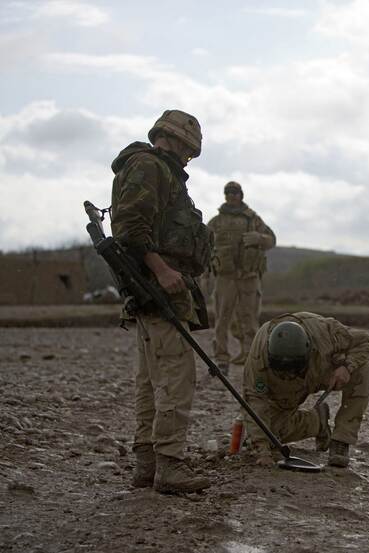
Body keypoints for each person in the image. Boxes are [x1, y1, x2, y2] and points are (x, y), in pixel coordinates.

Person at [110, 109, 212, 494]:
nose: (188, 156)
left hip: (154, 290)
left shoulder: (159, 170)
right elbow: (129, 225)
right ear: (177, 140)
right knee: (175, 377)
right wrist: (161, 270)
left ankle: (147, 464)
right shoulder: (150, 166)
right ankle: (168, 465)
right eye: (188, 148)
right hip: (158, 288)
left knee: (152, 379)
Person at [242, 312, 369, 468]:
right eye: (284, 368)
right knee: (269, 434)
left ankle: (341, 440)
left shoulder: (326, 333)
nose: (289, 373)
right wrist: (262, 450)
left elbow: (366, 340)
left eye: (293, 369)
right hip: (282, 388)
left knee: (364, 369)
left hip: (320, 371)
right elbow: (255, 402)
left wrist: (347, 367)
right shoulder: (258, 360)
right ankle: (317, 422)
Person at [207, 182, 276, 374]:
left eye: (235, 192)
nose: (231, 196)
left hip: (249, 277)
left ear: (241, 195)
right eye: (228, 192)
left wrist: (259, 239)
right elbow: (202, 242)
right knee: (222, 319)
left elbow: (272, 239)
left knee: (250, 319)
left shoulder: (253, 219)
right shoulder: (217, 222)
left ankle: (251, 358)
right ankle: (222, 359)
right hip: (225, 277)